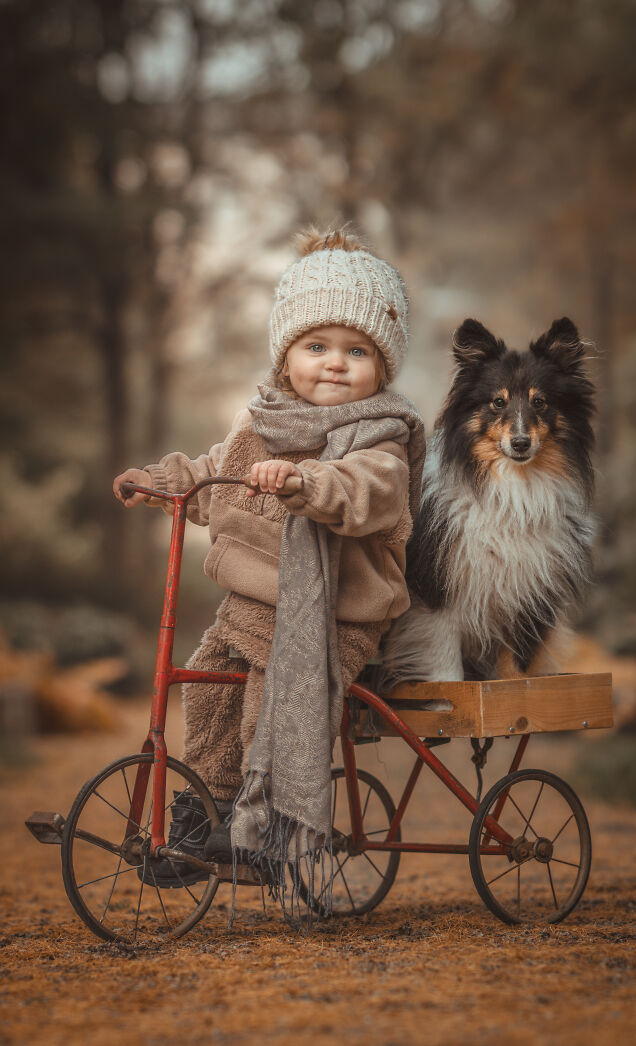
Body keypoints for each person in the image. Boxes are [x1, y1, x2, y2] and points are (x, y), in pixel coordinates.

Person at [113, 226, 425, 909]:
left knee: (270, 692)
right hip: (251, 603)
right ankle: (205, 815)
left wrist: (306, 484)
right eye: (317, 346)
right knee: (206, 686)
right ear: (287, 358)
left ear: (383, 367)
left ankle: (269, 829)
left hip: (341, 613)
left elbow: (366, 493)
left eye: (357, 350)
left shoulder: (381, 439)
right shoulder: (258, 425)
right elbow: (211, 472)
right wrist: (164, 481)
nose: (335, 363)